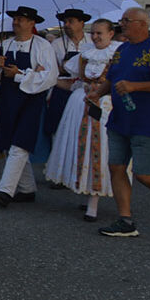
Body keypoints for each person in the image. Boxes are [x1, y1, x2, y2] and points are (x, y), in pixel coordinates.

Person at [93, 8, 150, 237]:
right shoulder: (122, 49)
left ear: (142, 25)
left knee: (144, 173)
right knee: (116, 167)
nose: (122, 24)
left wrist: (136, 86)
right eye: (122, 20)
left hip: (147, 121)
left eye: (127, 20)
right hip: (120, 120)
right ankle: (125, 220)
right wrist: (99, 92)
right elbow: (114, 77)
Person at [46, 19, 120, 221]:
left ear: (111, 34)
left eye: (100, 33)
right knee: (82, 149)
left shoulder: (118, 54)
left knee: (99, 151)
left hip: (106, 107)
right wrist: (47, 78)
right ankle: (87, 193)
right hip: (81, 105)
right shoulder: (85, 55)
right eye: (93, 33)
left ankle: (94, 202)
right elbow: (74, 82)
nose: (95, 37)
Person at [0, 6, 58, 207]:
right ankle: (27, 188)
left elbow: (50, 77)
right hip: (8, 99)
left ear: (32, 23)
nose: (17, 22)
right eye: (15, 19)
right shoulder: (5, 45)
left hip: (31, 101)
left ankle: (5, 191)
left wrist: (19, 74)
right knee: (10, 144)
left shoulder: (42, 46)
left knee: (20, 143)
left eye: (21, 19)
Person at [44, 9, 91, 159]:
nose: (67, 25)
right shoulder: (57, 44)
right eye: (65, 22)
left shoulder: (91, 42)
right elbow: (48, 67)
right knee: (58, 127)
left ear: (81, 23)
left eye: (71, 21)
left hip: (85, 90)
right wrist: (61, 68)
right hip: (61, 89)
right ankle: (57, 165)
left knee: (81, 128)